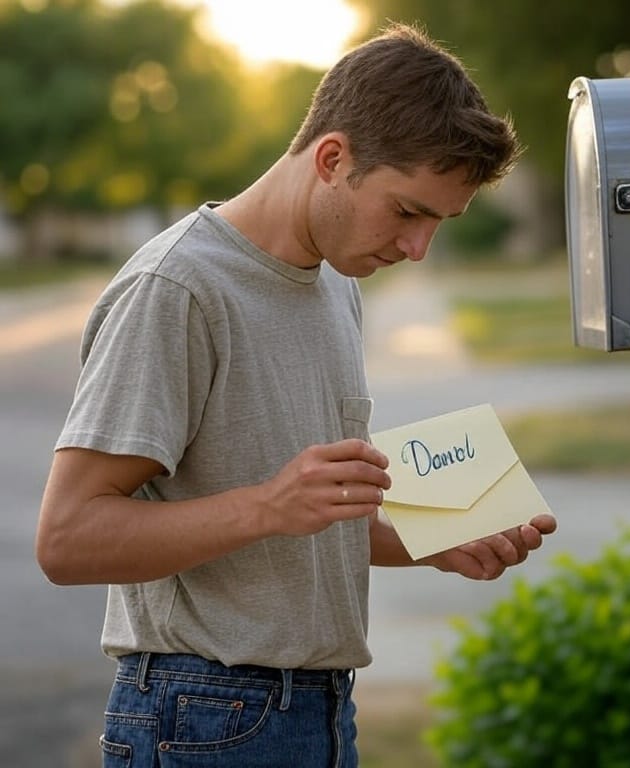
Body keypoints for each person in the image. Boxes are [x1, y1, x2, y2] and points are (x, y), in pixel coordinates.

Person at [35, 22, 556, 767]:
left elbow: (301, 527)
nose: (417, 250)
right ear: (333, 158)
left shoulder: (338, 282)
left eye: (440, 224)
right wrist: (268, 504)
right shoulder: (178, 288)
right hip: (203, 715)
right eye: (408, 212)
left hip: (318, 708)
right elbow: (67, 539)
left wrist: (435, 539)